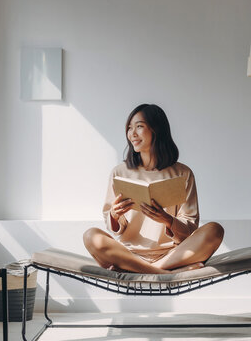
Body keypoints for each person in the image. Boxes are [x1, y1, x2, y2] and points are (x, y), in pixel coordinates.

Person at [83, 104, 224, 274]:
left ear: (156, 130)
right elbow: (112, 225)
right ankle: (166, 273)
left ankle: (148, 270)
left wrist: (167, 220)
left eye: (139, 126)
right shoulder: (119, 172)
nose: (132, 134)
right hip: (129, 254)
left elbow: (190, 227)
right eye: (129, 128)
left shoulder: (183, 173)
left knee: (215, 230)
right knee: (91, 236)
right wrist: (114, 215)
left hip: (172, 254)